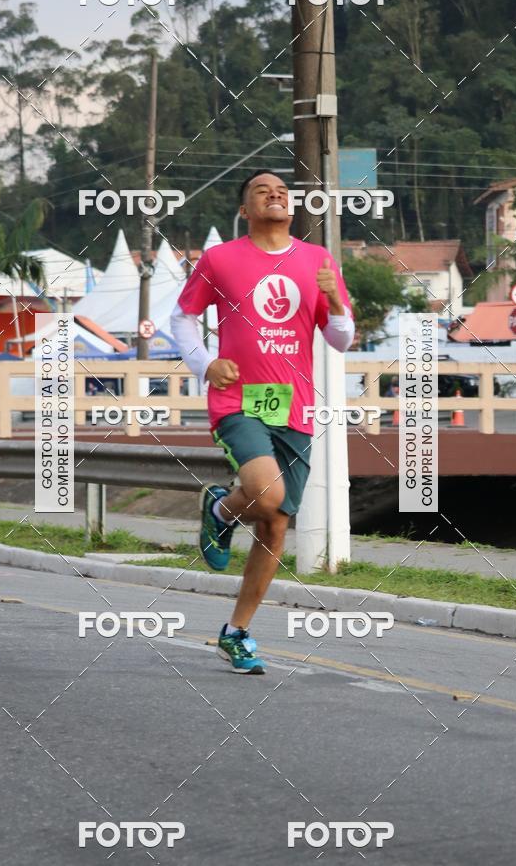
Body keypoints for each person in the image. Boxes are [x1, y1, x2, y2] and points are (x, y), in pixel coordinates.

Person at [170, 170, 355, 675]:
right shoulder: (221, 259)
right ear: (245, 210)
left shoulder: (318, 261)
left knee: (275, 524)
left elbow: (341, 339)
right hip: (238, 400)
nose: (275, 194)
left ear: (291, 207)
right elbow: (182, 318)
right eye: (261, 190)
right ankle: (224, 510)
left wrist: (336, 302)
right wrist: (204, 363)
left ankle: (237, 631)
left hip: (292, 407)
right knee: (267, 497)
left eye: (282, 190)